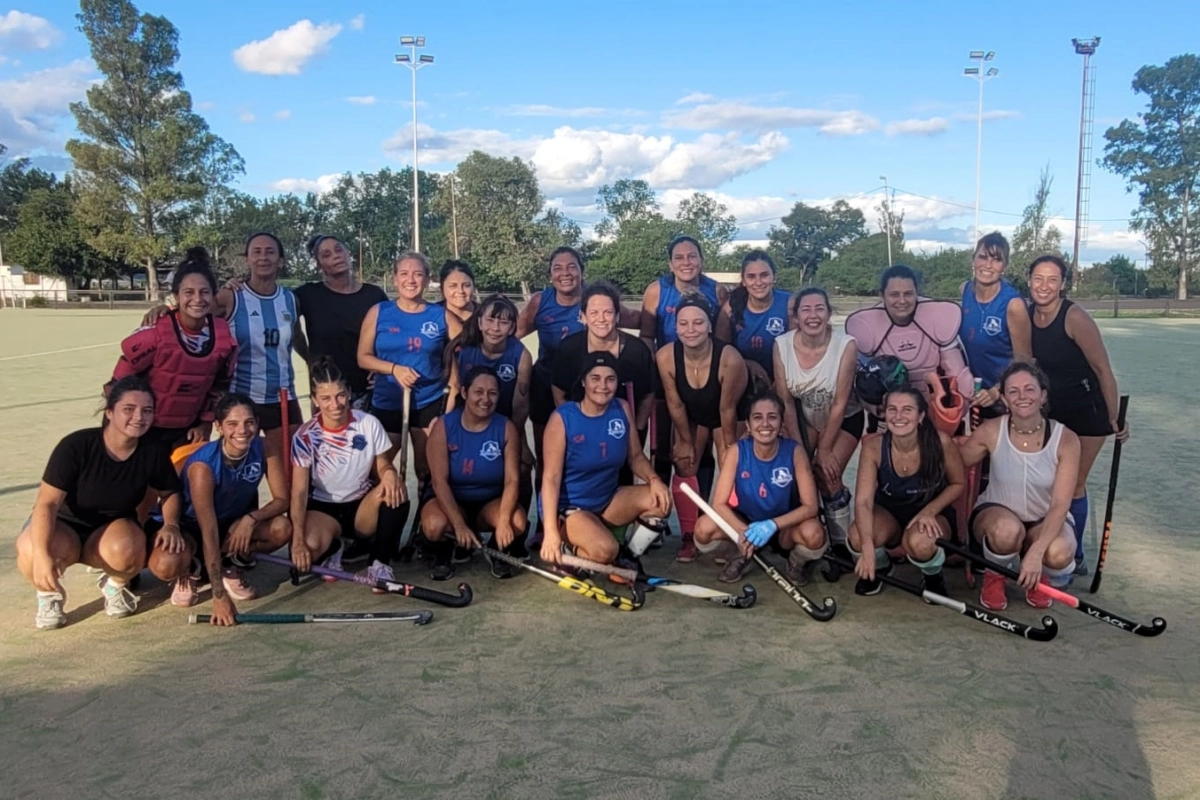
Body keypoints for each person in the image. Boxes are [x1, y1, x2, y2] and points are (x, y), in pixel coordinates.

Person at [15, 377, 184, 629]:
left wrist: (171, 524)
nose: (139, 417)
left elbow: (170, 492)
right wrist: (41, 555)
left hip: (111, 530)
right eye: (129, 409)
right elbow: (46, 504)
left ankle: (114, 585)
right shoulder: (75, 446)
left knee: (130, 547)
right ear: (109, 412)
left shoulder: (153, 451)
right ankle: (48, 596)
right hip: (64, 525)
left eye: (147, 410)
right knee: (31, 548)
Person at [146, 393, 292, 623]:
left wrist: (250, 519)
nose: (242, 430)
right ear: (218, 426)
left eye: (249, 422)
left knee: (281, 528)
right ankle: (191, 567)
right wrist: (219, 595)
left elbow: (282, 499)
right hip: (191, 527)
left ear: (257, 423)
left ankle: (229, 563)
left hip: (232, 522)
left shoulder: (264, 446)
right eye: (232, 424)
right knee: (166, 565)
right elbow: (209, 530)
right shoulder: (203, 467)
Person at [1027, 254, 1130, 574]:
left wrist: (1114, 416)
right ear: (1028, 281)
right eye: (1038, 279)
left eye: (1052, 280)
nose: (1044, 286)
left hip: (1087, 412)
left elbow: (1102, 368)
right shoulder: (1026, 315)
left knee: (1072, 485)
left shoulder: (1074, 317)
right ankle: (1048, 543)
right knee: (1049, 483)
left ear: (1063, 284)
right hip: (1051, 411)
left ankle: (1076, 555)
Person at [958, 361, 1081, 609]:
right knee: (1006, 531)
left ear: (1043, 396)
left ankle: (1039, 574)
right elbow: (956, 463)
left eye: (1029, 389)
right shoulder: (991, 430)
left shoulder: (1066, 439)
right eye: (1013, 391)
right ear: (1004, 399)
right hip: (997, 513)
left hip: (1044, 517)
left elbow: (1060, 504)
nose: (1022, 396)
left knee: (1059, 552)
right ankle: (995, 575)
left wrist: (1037, 552)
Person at [540, 353, 671, 568]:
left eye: (610, 379)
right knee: (606, 550)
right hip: (572, 509)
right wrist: (550, 532)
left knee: (661, 500)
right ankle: (568, 547)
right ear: (583, 381)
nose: (603, 386)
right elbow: (550, 478)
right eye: (595, 378)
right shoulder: (563, 418)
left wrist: (654, 480)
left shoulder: (622, 408)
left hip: (608, 501)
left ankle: (627, 558)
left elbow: (636, 456)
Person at [289, 357, 408, 587]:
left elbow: (383, 464)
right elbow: (299, 492)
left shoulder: (369, 423)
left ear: (349, 393)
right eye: (326, 398)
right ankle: (335, 547)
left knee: (396, 489)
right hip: (324, 510)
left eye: (340, 395)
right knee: (308, 552)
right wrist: (297, 541)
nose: (335, 404)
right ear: (314, 400)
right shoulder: (305, 436)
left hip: (361, 507)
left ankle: (379, 562)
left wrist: (389, 473)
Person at [110, 248, 237, 453]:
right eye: (189, 292)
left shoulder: (223, 336)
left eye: (205, 292)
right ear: (176, 296)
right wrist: (119, 430)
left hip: (187, 432)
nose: (198, 299)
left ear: (214, 296)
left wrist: (205, 423)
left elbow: (219, 387)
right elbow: (118, 383)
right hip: (143, 429)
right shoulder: (157, 330)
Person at [692, 393, 826, 585]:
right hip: (746, 522)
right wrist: (743, 532)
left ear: (781, 424)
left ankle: (795, 562)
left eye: (772, 417)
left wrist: (771, 525)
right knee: (703, 529)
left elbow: (810, 507)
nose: (765, 424)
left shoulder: (795, 451)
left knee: (814, 534)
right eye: (757, 417)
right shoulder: (736, 451)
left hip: (784, 527)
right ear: (748, 425)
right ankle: (740, 554)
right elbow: (719, 504)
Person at [358, 251, 463, 490]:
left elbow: (468, 347)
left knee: (426, 469)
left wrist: (454, 384)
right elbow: (363, 357)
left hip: (429, 401)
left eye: (418, 274)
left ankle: (425, 512)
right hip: (387, 401)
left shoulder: (440, 315)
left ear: (427, 279)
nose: (411, 280)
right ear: (395, 278)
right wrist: (394, 369)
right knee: (378, 470)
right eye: (404, 274)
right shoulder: (379, 312)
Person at [847, 387, 966, 597]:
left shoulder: (940, 442)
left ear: (920, 416)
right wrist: (867, 547)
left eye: (907, 410)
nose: (898, 416)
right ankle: (880, 567)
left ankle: (932, 576)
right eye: (892, 409)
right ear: (885, 414)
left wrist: (930, 511)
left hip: (930, 512)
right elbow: (863, 501)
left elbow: (958, 483)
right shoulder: (874, 447)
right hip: (890, 514)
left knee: (921, 542)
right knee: (857, 536)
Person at [656, 294, 748, 562]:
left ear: (709, 325)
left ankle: (730, 533)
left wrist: (729, 449)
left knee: (731, 466)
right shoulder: (665, 356)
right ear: (675, 327)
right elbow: (675, 404)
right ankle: (689, 536)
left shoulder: (729, 358)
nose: (691, 329)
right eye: (683, 323)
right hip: (692, 412)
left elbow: (727, 410)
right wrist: (685, 441)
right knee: (685, 461)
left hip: (728, 413)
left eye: (698, 323)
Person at [772, 287, 862, 546]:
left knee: (827, 475)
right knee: (800, 474)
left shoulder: (846, 345)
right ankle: (808, 536)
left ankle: (840, 542)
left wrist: (824, 449)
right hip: (804, 417)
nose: (813, 316)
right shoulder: (781, 345)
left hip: (844, 417)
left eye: (819, 309)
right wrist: (799, 449)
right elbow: (786, 402)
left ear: (829, 314)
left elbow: (840, 402)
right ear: (796, 316)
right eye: (806, 310)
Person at [421, 367, 528, 580]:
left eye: (492, 393)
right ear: (464, 392)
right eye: (478, 392)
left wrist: (504, 520)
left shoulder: (506, 427)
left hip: (489, 502)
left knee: (517, 522)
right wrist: (459, 525)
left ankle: (496, 549)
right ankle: (445, 552)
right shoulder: (444, 426)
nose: (485, 399)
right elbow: (439, 482)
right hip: (451, 500)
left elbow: (512, 480)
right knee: (433, 525)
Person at [224, 232, 307, 467]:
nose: (263, 257)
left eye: (270, 252)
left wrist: (313, 361)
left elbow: (297, 336)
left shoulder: (290, 299)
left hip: (282, 397)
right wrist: (166, 306)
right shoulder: (231, 296)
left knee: (292, 469)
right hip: (242, 397)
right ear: (247, 259)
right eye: (257, 252)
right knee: (238, 471)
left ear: (280, 260)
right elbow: (195, 309)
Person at [845, 265, 974, 410]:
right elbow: (863, 382)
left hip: (936, 407)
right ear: (882, 296)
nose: (902, 301)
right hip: (893, 412)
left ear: (916, 293)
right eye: (894, 295)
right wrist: (875, 409)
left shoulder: (938, 317)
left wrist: (957, 408)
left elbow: (957, 372)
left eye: (908, 294)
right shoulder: (867, 327)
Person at [295, 234, 388, 410]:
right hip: (327, 394)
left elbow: (392, 337)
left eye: (339, 250)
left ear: (348, 253)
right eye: (326, 254)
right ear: (318, 264)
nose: (336, 256)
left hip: (368, 393)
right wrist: (310, 360)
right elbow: (278, 311)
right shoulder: (308, 295)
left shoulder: (374, 295)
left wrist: (385, 372)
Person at [551, 280, 655, 437]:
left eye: (608, 312)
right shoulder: (569, 348)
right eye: (594, 313)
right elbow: (559, 390)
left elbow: (648, 393)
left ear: (617, 316)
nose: (601, 319)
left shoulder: (637, 350)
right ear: (583, 317)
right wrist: (572, 426)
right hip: (581, 432)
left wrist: (636, 430)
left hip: (624, 433)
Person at [959, 232, 1032, 415]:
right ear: (973, 260)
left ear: (1004, 267)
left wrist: (997, 391)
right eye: (982, 257)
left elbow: (1024, 363)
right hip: (972, 396)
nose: (988, 265)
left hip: (1004, 400)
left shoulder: (1013, 305)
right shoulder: (965, 290)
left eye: (996, 259)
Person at [449, 293, 532, 426]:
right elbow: (454, 389)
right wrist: (447, 421)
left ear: (512, 328)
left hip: (505, 422)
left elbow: (520, 406)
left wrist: (514, 432)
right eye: (490, 320)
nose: (495, 328)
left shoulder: (522, 355)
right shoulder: (463, 349)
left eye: (503, 322)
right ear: (480, 323)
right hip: (467, 420)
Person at [715, 249, 792, 389]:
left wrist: (780, 384)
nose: (758, 282)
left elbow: (799, 350)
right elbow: (720, 352)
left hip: (787, 380)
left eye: (764, 275)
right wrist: (747, 363)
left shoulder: (789, 303)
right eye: (751, 276)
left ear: (774, 276)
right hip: (743, 382)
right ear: (744, 280)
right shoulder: (731, 308)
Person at [438, 259, 479, 324]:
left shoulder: (485, 314)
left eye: (466, 285)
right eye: (453, 286)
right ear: (442, 288)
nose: (460, 291)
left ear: (473, 287)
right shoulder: (432, 314)